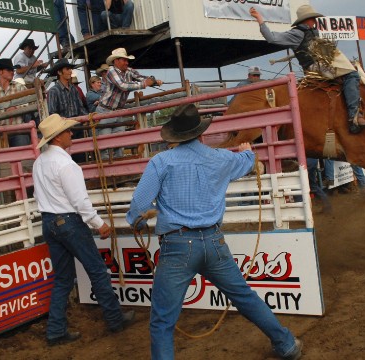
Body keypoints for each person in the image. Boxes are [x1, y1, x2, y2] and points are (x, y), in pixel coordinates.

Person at [126, 103, 303, 360]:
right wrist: (247, 152)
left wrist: (138, 222)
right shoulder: (220, 159)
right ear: (201, 133)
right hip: (213, 240)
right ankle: (286, 344)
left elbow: (139, 205)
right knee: (244, 297)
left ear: (175, 136)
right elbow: (246, 161)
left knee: (162, 321)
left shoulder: (161, 161)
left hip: (177, 245)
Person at [32, 113, 135, 346]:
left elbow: (38, 195)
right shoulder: (67, 165)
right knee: (97, 271)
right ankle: (114, 319)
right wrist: (99, 223)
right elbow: (80, 202)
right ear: (58, 137)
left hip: (49, 221)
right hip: (69, 222)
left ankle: (56, 331)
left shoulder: (40, 162)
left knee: (63, 279)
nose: (71, 133)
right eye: (68, 131)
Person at [250, 5, 365, 134]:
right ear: (307, 19)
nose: (315, 21)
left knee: (349, 73)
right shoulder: (297, 33)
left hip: (322, 66)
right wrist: (260, 19)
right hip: (315, 68)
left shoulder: (313, 32)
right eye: (313, 18)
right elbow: (271, 38)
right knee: (352, 75)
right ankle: (354, 117)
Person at [95, 47, 161, 159]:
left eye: (127, 60)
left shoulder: (129, 71)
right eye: (124, 60)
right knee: (105, 146)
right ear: (116, 61)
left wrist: (153, 81)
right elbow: (123, 86)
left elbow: (142, 78)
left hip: (117, 111)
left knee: (119, 145)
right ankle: (108, 173)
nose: (127, 62)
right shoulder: (111, 71)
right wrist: (145, 84)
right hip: (105, 111)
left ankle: (118, 172)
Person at [0, 58, 30, 147]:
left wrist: (16, 108)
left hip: (18, 130)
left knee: (23, 158)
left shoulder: (20, 87)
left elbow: (31, 103)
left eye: (12, 70)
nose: (12, 72)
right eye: (9, 70)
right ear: (0, 71)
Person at [47, 59, 88, 161]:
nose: (70, 71)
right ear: (59, 72)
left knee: (80, 156)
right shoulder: (53, 91)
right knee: (67, 158)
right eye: (67, 69)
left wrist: (88, 117)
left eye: (70, 69)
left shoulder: (73, 89)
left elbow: (80, 107)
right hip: (63, 130)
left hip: (77, 127)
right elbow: (52, 113)